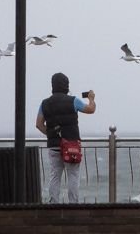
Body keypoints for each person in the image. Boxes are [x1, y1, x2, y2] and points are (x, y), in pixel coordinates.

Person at [35, 72, 96, 204]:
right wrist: (91, 98)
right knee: (73, 175)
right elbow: (91, 110)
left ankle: (53, 204)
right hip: (71, 145)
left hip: (53, 145)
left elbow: (39, 124)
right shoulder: (73, 100)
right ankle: (73, 205)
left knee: (55, 176)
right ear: (66, 85)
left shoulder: (44, 103)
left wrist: (51, 135)